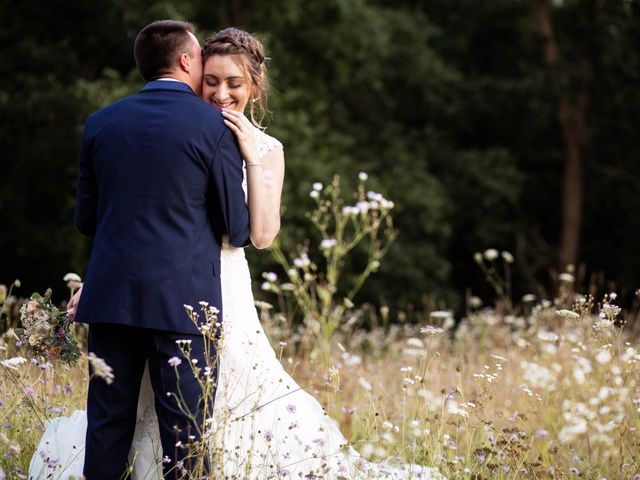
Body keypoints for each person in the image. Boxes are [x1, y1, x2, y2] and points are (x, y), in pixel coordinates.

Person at [29, 26, 445, 480]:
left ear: (254, 86)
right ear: (193, 69)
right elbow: (162, 217)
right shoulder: (199, 129)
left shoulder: (261, 148)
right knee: (165, 422)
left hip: (212, 291)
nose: (221, 93)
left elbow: (261, 236)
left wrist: (250, 155)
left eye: (234, 84)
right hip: (174, 295)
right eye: (212, 81)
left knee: (194, 419)